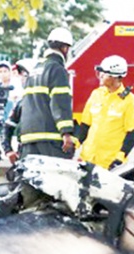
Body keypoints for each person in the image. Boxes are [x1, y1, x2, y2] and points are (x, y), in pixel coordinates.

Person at [17, 27, 76, 159]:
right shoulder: (57, 69)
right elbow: (60, 102)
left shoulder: (34, 70)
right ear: (65, 48)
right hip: (49, 139)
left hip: (28, 140)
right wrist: (66, 133)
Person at [76, 55, 134, 169]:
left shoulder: (130, 101)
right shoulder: (96, 94)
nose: (100, 76)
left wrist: (119, 159)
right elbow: (85, 125)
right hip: (87, 159)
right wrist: (75, 144)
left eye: (103, 73)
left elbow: (131, 135)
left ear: (114, 77)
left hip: (109, 164)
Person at [0, 59, 38, 165]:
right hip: (25, 155)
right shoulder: (21, 104)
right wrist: (8, 150)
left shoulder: (52, 102)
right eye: (21, 75)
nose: (22, 79)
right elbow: (6, 129)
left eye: (25, 75)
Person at [0, 60, 15, 137]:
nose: (3, 74)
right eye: (0, 71)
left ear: (10, 72)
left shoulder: (15, 85)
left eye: (5, 71)